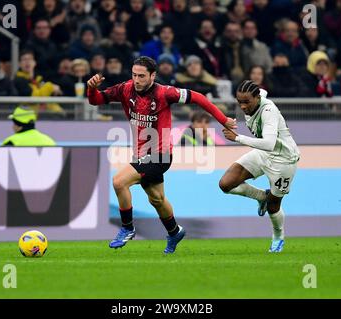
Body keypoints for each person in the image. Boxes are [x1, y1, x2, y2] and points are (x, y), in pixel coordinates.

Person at [87, 56, 236, 253]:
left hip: (160, 154)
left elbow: (199, 97)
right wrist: (91, 88)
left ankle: (127, 227)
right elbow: (95, 100)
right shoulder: (125, 89)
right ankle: (174, 231)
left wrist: (224, 119)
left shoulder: (165, 93)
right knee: (156, 199)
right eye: (134, 75)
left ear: (153, 76)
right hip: (140, 154)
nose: (137, 79)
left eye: (141, 76)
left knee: (118, 182)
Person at [219, 80, 300, 253]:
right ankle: (262, 197)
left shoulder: (268, 111)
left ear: (257, 98)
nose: (242, 106)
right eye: (239, 101)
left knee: (274, 206)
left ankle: (278, 238)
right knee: (226, 184)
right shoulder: (257, 95)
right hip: (263, 154)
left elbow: (269, 143)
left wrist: (237, 138)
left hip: (283, 159)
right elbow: (262, 90)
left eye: (246, 101)